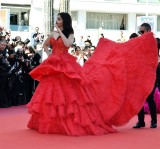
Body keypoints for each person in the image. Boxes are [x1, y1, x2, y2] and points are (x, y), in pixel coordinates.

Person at [27, 13, 158, 136]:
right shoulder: (52, 33)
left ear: (65, 22)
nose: (57, 20)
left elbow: (67, 43)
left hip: (67, 64)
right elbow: (44, 45)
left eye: (60, 19)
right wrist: (50, 55)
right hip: (54, 64)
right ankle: (51, 123)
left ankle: (67, 122)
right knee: (51, 93)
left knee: (71, 92)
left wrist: (60, 32)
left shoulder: (69, 33)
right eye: (57, 18)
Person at [133, 23, 158, 129]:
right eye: (139, 32)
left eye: (142, 31)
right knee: (139, 98)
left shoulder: (155, 41)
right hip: (141, 75)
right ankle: (141, 121)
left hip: (151, 75)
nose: (140, 34)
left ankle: (154, 121)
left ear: (148, 31)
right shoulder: (139, 42)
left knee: (149, 98)